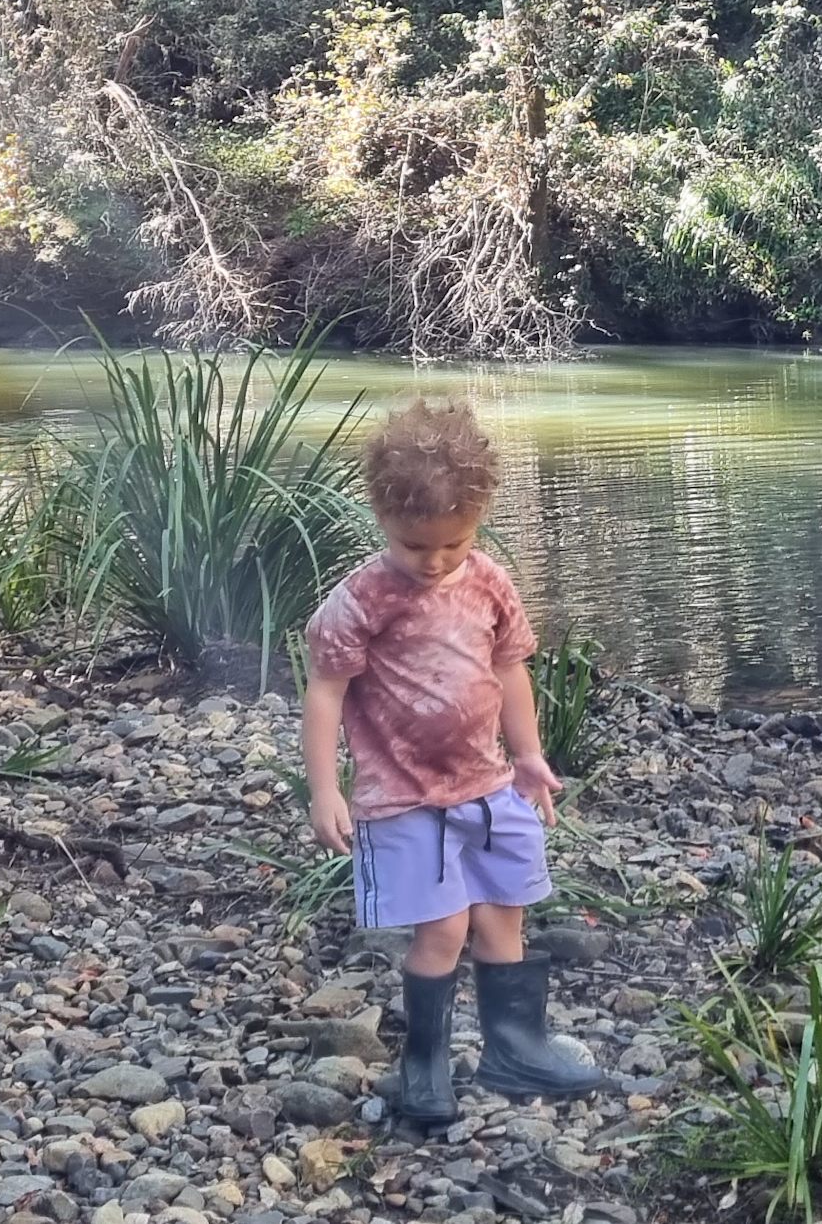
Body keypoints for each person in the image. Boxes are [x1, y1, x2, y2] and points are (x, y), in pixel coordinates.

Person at [302, 401, 607, 1130]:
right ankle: (425, 1065)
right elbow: (324, 693)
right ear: (382, 518)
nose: (435, 563)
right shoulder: (361, 599)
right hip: (404, 797)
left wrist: (529, 755)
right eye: (415, 547)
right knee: (441, 929)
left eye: (455, 544)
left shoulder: (488, 581)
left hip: (488, 785)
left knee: (506, 912)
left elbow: (509, 669)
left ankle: (515, 1045)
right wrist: (324, 790)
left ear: (479, 519)